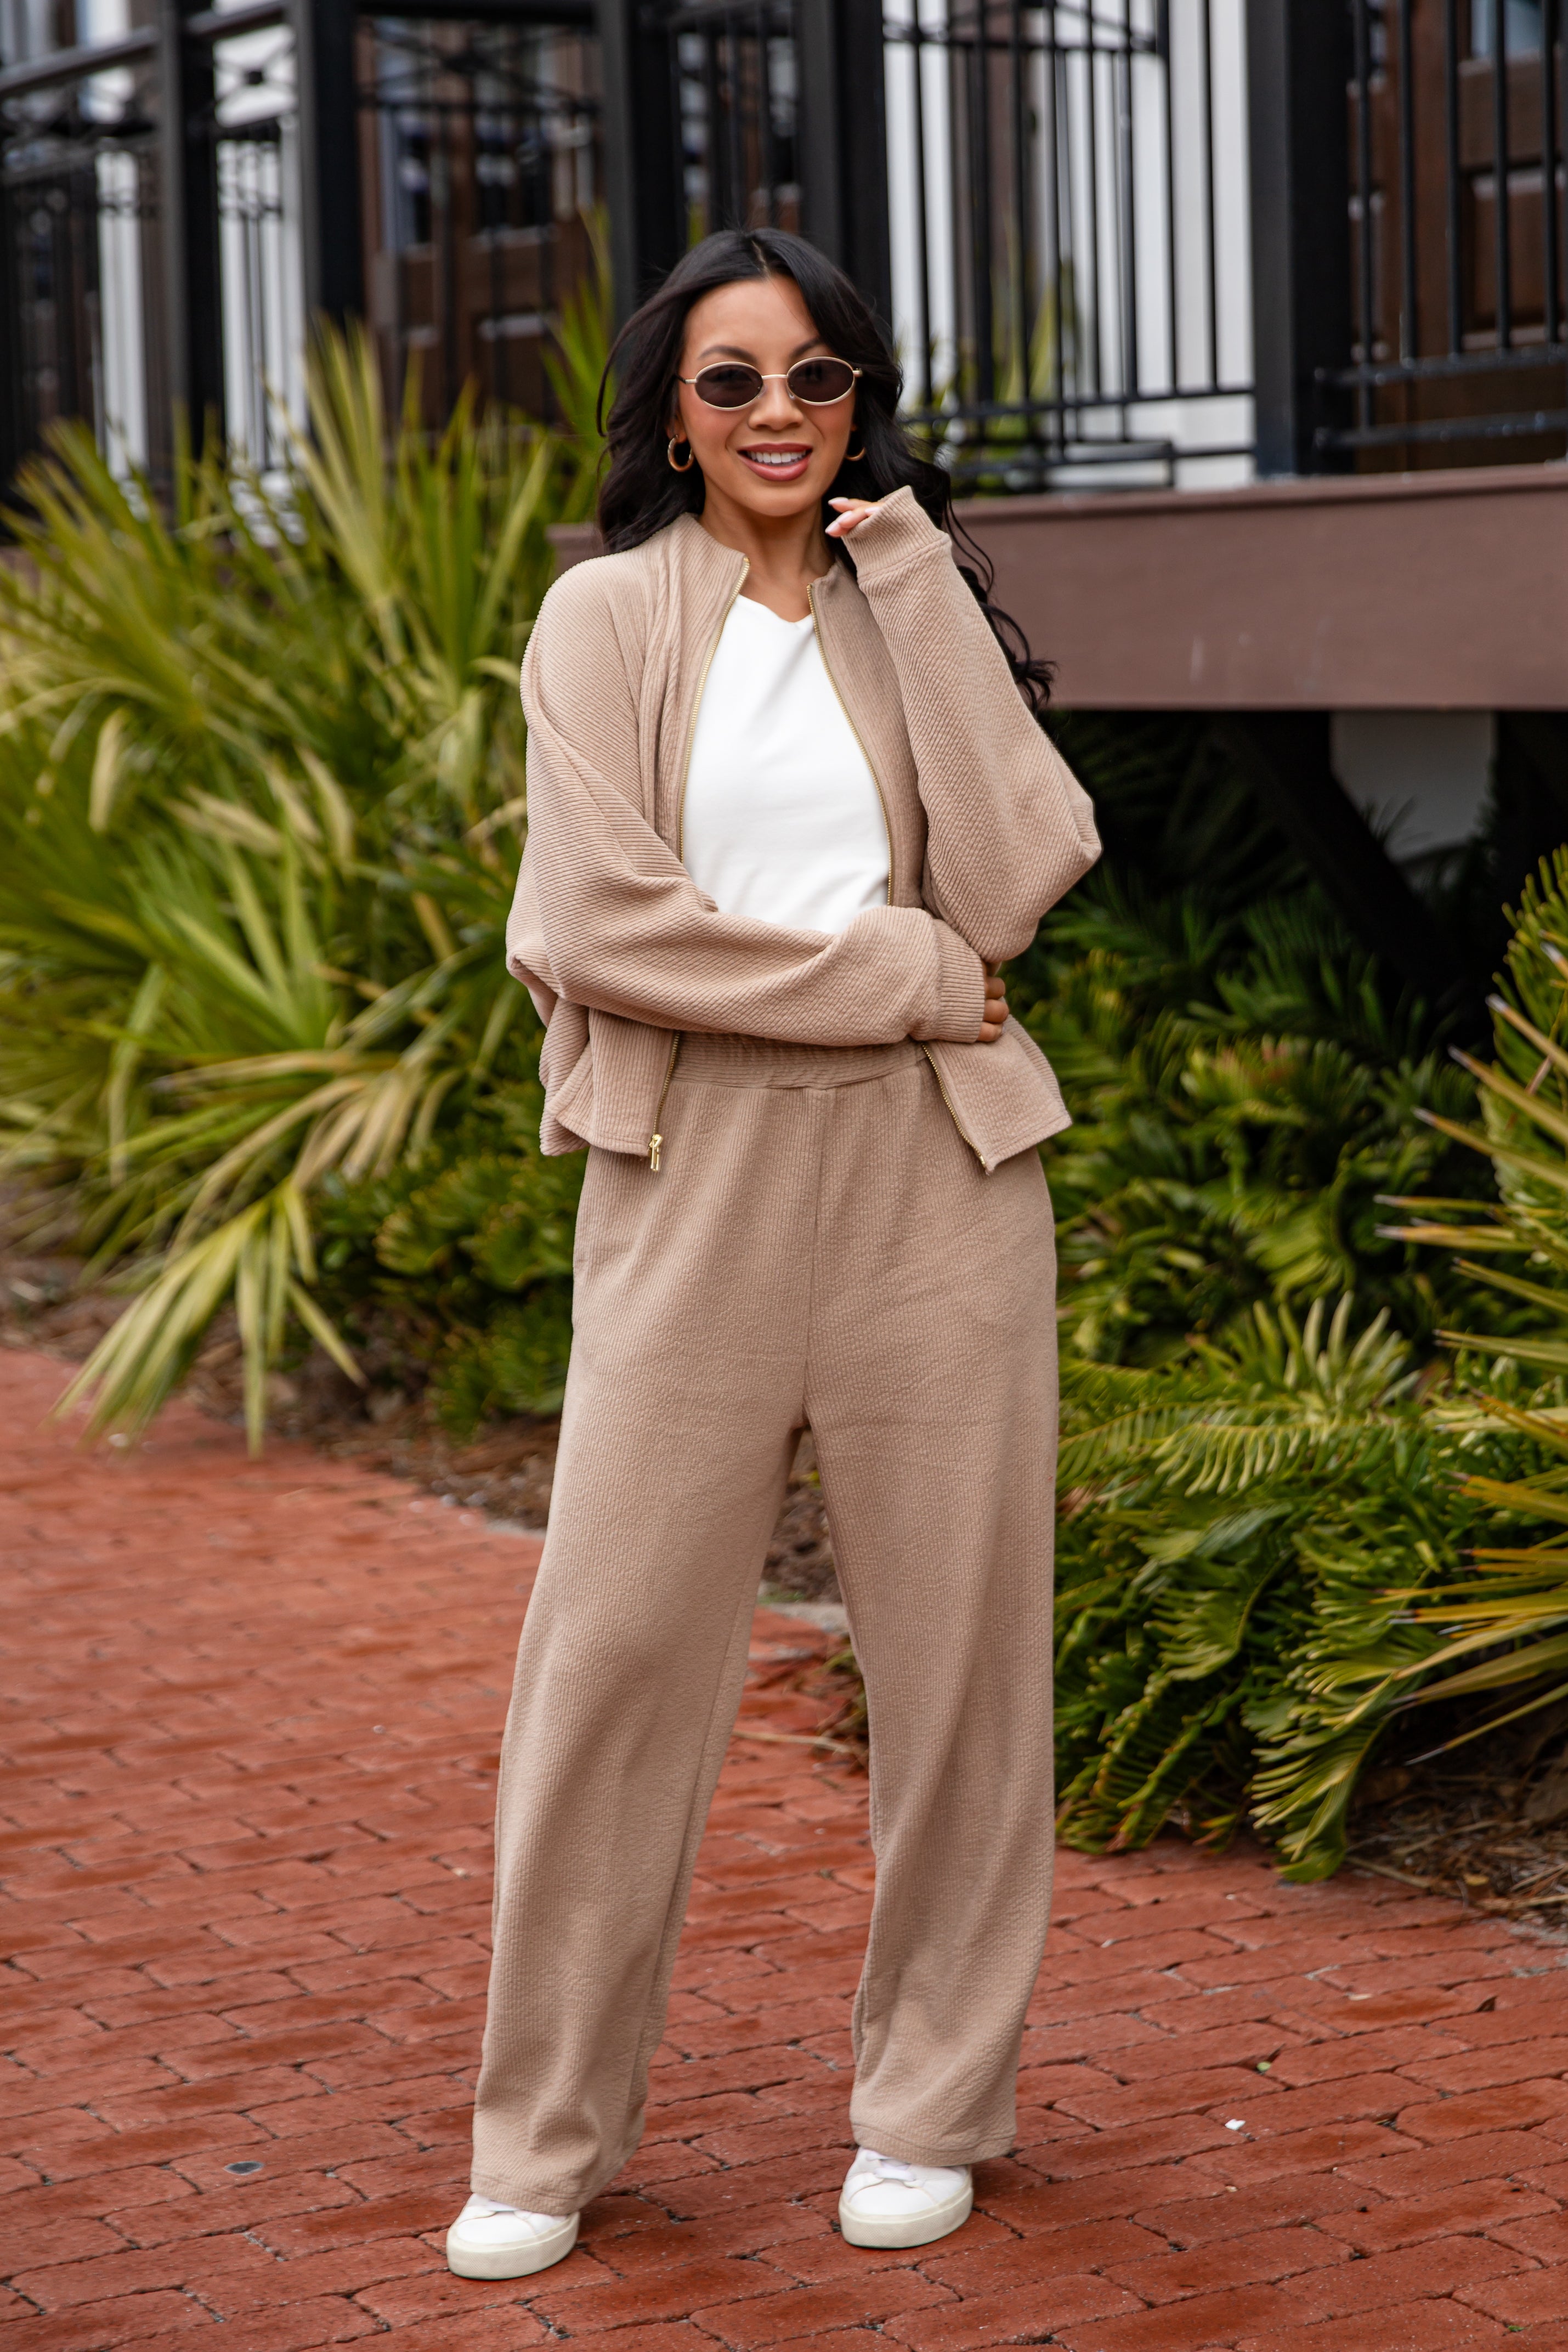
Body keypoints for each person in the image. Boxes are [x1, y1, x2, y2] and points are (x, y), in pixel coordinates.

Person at [445, 226, 1100, 2282]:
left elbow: (1024, 869)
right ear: (666, 409)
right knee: (616, 1657)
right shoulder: (603, 615)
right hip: (693, 1175)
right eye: (731, 383)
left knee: (961, 1664)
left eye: (816, 379)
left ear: (859, 401)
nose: (777, 417)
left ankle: (932, 2104)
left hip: (941, 1183)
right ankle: (543, 2136)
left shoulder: (908, 595)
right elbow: (596, 925)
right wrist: (902, 972)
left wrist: (910, 576)